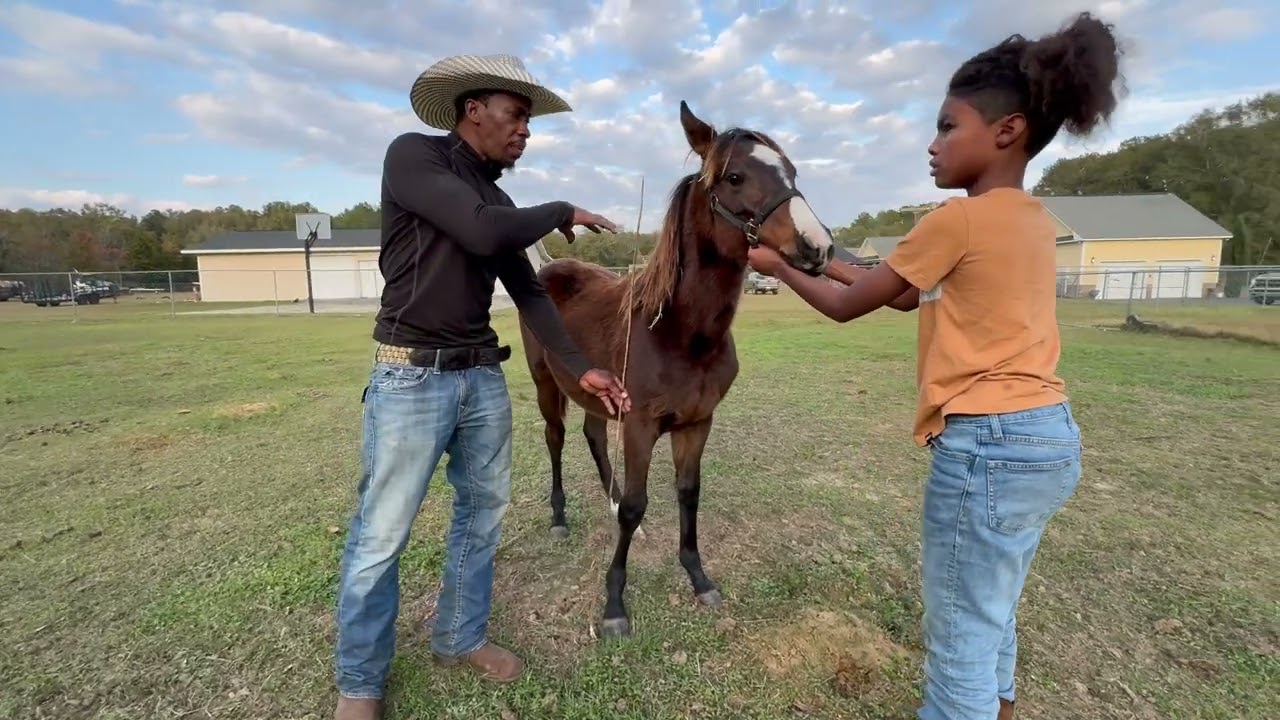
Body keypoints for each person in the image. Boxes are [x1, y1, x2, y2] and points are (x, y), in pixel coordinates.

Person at [746, 13, 1124, 720]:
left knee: (957, 638)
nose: (931, 143)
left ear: (1006, 131)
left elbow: (848, 307)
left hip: (986, 446)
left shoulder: (954, 220)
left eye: (948, 126)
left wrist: (776, 267)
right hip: (1046, 439)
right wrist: (821, 257)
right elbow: (900, 290)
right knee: (992, 608)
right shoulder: (1030, 220)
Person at [333, 53, 632, 720]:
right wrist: (559, 208)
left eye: (530, 120)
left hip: (480, 378)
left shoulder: (498, 198)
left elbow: (528, 289)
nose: (526, 130)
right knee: (382, 534)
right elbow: (477, 227)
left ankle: (461, 635)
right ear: (474, 110)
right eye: (517, 115)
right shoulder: (414, 158)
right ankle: (359, 683)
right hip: (411, 376)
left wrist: (580, 366)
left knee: (480, 514)